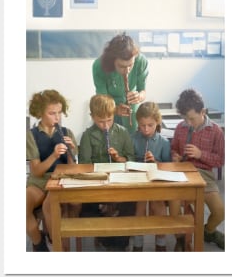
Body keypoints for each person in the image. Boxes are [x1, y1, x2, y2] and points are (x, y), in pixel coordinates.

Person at [78, 94, 136, 251]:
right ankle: (105, 238)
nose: (105, 126)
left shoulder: (122, 132)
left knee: (130, 205)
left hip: (120, 182)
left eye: (109, 120)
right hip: (97, 184)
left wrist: (118, 157)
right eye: (100, 121)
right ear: (92, 117)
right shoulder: (87, 136)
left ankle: (119, 243)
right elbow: (84, 165)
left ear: (114, 115)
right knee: (87, 211)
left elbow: (131, 159)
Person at [170, 88, 225, 250]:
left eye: (192, 119)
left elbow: (221, 159)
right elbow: (173, 148)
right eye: (184, 118)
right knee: (175, 205)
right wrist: (175, 156)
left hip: (204, 176)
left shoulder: (216, 131)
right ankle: (180, 238)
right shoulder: (181, 127)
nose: (188, 123)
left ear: (203, 112)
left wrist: (201, 154)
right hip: (182, 173)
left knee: (220, 212)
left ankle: (208, 231)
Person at [26, 89, 81, 251]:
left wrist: (71, 152)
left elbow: (72, 169)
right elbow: (36, 171)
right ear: (40, 113)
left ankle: (55, 243)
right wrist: (54, 154)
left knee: (49, 206)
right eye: (52, 113)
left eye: (59, 113)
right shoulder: (31, 135)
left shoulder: (66, 132)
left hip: (59, 180)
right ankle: (39, 243)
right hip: (38, 181)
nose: (57, 117)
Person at [130, 102, 170, 252]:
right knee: (140, 206)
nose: (146, 129)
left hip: (157, 182)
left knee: (158, 206)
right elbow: (129, 161)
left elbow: (167, 166)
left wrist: (156, 162)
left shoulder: (164, 142)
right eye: (142, 125)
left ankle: (160, 242)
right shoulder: (132, 138)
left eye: (150, 125)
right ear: (138, 123)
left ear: (157, 123)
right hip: (138, 181)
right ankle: (138, 243)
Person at [92, 33, 149, 133]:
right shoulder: (99, 66)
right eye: (121, 66)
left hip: (132, 110)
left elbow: (143, 91)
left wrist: (139, 96)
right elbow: (102, 100)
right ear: (112, 61)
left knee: (131, 141)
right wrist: (115, 109)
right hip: (108, 111)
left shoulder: (141, 61)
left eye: (130, 65)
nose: (127, 71)